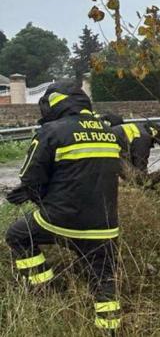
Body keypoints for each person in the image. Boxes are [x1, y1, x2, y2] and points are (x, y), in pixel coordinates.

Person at [4, 80, 122, 332]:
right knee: (104, 280)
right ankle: (109, 329)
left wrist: (35, 199)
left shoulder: (52, 131)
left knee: (17, 236)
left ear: (52, 103)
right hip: (106, 227)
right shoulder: (108, 131)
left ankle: (45, 288)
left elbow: (31, 179)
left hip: (59, 220)